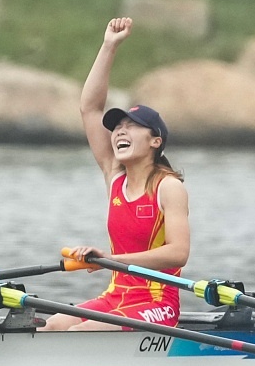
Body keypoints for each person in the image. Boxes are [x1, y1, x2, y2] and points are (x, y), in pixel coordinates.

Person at [51, 17, 190, 331]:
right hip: (117, 296)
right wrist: (109, 46)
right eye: (116, 128)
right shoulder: (115, 176)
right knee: (53, 326)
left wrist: (114, 260)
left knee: (82, 334)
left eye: (130, 127)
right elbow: (90, 109)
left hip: (157, 304)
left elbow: (179, 253)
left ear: (156, 141)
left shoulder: (168, 187)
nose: (119, 132)